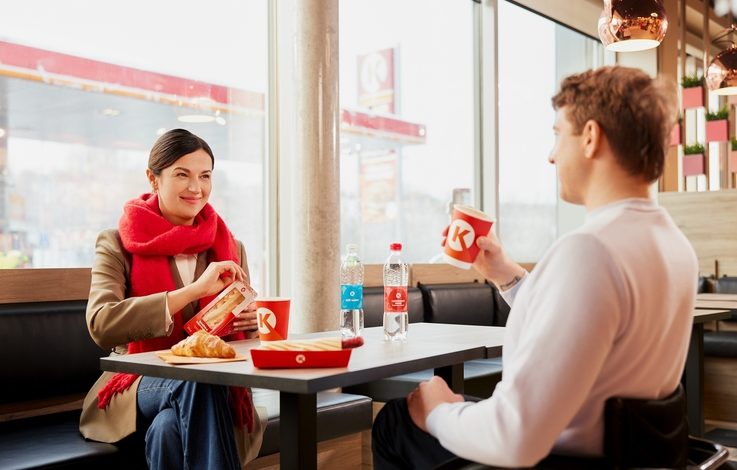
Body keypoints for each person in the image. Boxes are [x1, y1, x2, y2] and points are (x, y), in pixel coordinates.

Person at [372, 65, 698, 468]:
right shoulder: (674, 245)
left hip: (556, 457)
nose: (551, 154)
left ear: (591, 138)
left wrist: (437, 412)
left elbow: (516, 439)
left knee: (396, 421)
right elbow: (589, 324)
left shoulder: (591, 251)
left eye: (558, 134)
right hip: (625, 453)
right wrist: (504, 274)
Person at [79, 129, 265, 469]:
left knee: (167, 430)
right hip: (137, 381)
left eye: (205, 176)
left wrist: (253, 326)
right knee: (197, 381)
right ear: (153, 178)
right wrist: (193, 292)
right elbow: (101, 324)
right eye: (182, 174)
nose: (196, 188)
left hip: (214, 386)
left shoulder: (231, 248)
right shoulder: (116, 243)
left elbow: (241, 343)